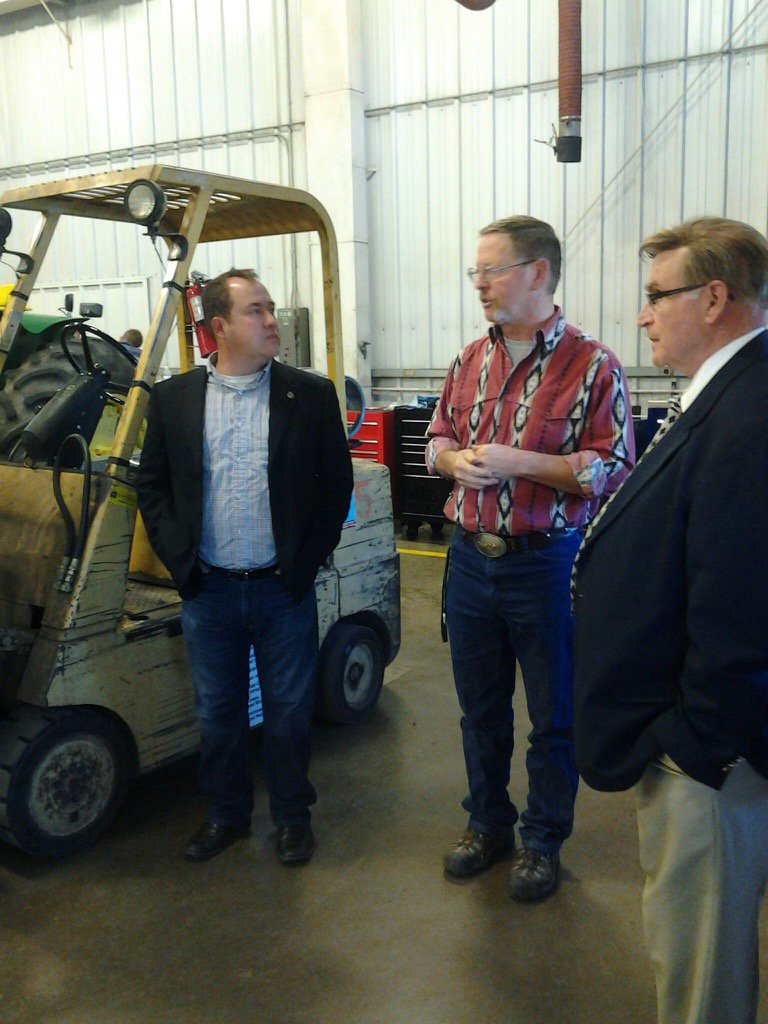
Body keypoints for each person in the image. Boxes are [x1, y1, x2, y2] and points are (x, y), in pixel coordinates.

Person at [573, 217, 768, 1024]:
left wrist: (698, 746)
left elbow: (744, 604)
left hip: (711, 762)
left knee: (701, 973)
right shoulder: (723, 394)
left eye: (658, 296)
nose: (644, 316)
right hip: (709, 745)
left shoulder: (749, 414)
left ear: (715, 297)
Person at [427, 215, 634, 901]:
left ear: (539, 272)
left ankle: (543, 840)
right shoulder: (467, 360)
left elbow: (614, 467)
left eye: (493, 270)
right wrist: (456, 459)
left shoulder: (593, 364)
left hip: (544, 564)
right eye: (475, 273)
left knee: (552, 715)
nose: (480, 285)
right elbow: (435, 444)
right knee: (479, 711)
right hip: (468, 562)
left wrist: (526, 463)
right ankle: (487, 824)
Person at [137, 269, 353, 865]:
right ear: (219, 327)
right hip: (208, 590)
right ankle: (226, 815)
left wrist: (306, 561)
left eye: (271, 308)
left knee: (287, 714)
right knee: (218, 714)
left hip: (282, 589)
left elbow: (336, 488)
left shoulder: (307, 395)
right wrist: (180, 561)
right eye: (255, 311)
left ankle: (291, 818)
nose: (271, 320)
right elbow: (151, 487)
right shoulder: (175, 399)